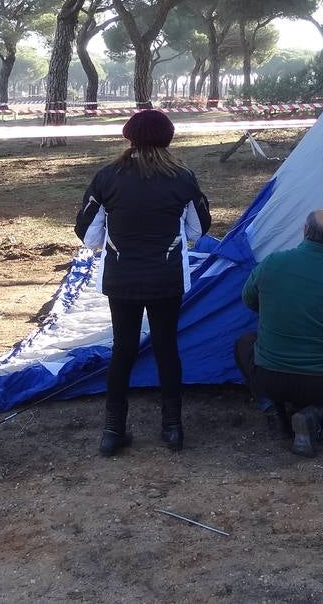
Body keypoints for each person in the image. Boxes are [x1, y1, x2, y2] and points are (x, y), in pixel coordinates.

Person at [74, 109, 211, 456]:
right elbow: (198, 229)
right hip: (167, 277)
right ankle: (173, 429)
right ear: (168, 138)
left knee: (123, 348)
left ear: (128, 137)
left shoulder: (107, 177)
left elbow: (88, 235)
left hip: (121, 278)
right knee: (166, 347)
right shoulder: (183, 177)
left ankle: (112, 430)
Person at [234, 209, 323, 458]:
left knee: (244, 344)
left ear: (304, 231)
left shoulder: (273, 263)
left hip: (270, 377)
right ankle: (312, 417)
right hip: (321, 381)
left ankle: (272, 410)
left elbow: (248, 299)